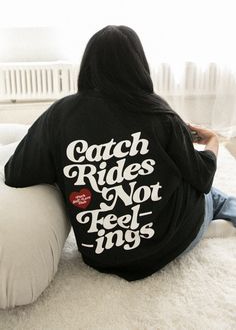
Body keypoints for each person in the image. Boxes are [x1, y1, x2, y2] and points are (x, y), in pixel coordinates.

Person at [4, 25, 236, 281]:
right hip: (168, 242)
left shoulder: (60, 115)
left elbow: (16, 173)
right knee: (210, 193)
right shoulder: (159, 113)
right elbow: (202, 178)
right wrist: (213, 141)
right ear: (139, 65)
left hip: (101, 256)